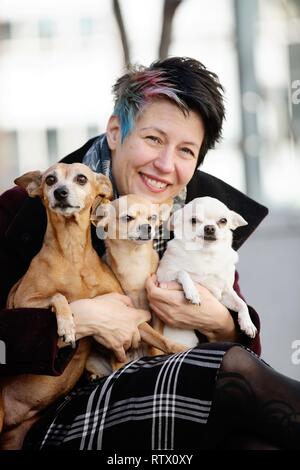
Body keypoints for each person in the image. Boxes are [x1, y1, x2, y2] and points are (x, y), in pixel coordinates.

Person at [0, 57, 299, 450]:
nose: (165, 165)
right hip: (57, 409)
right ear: (114, 131)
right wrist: (79, 318)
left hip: (165, 384)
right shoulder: (23, 208)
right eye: (154, 139)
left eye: (186, 151)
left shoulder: (195, 214)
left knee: (254, 443)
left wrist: (218, 322)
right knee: (232, 372)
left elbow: (240, 342)